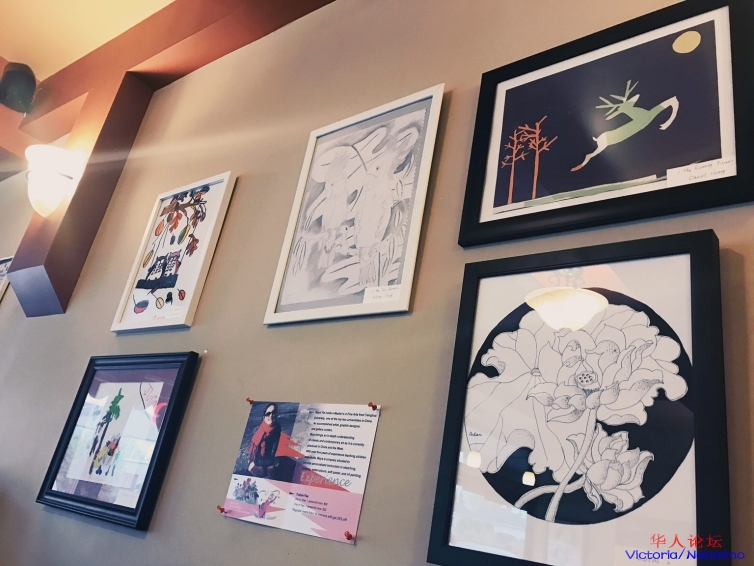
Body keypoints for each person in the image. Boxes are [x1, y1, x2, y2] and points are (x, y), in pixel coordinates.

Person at [248, 403, 281, 478]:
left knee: (273, 472)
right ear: (264, 417)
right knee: (259, 471)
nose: (271, 415)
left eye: (273, 412)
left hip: (268, 456)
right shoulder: (259, 431)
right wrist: (254, 462)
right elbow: (255, 454)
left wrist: (272, 460)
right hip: (257, 458)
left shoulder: (277, 426)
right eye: (268, 414)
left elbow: (275, 447)